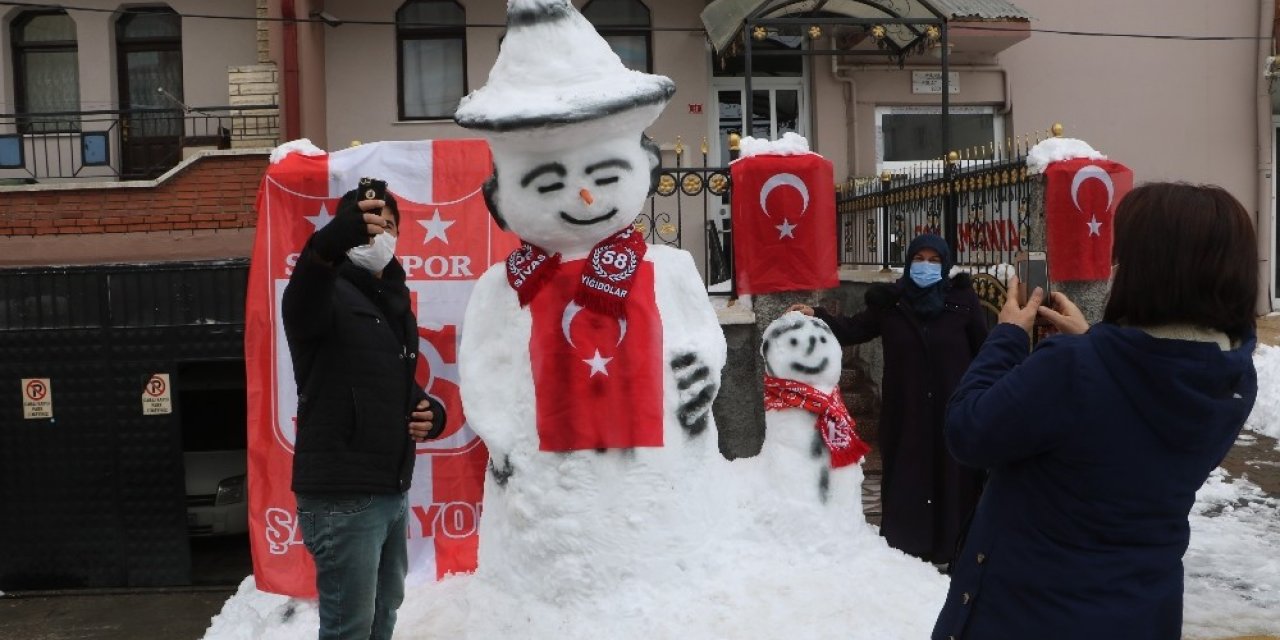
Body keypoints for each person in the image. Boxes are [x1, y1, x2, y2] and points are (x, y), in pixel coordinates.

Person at [932, 182, 1259, 640]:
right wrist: (1096, 344)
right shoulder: (1231, 376)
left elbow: (968, 430)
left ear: (1147, 271)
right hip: (1141, 610)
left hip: (1029, 611)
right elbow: (1134, 402)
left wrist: (1007, 335)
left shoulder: (1072, 369)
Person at [282, 182, 447, 640]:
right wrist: (329, 243)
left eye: (389, 226)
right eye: (370, 224)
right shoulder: (323, 292)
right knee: (349, 628)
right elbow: (305, 285)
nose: (381, 236)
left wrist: (432, 413)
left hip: (389, 488)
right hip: (342, 496)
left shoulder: (391, 301)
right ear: (346, 231)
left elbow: (392, 382)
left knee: (383, 614)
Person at [790, 233, 988, 566]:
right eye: (919, 259)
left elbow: (984, 350)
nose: (926, 266)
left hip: (951, 408)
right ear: (909, 262)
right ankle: (907, 548)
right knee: (908, 474)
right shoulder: (891, 303)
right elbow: (854, 329)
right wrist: (818, 314)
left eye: (934, 260)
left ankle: (953, 547)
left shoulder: (962, 302)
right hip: (905, 410)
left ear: (946, 264)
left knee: (953, 475)